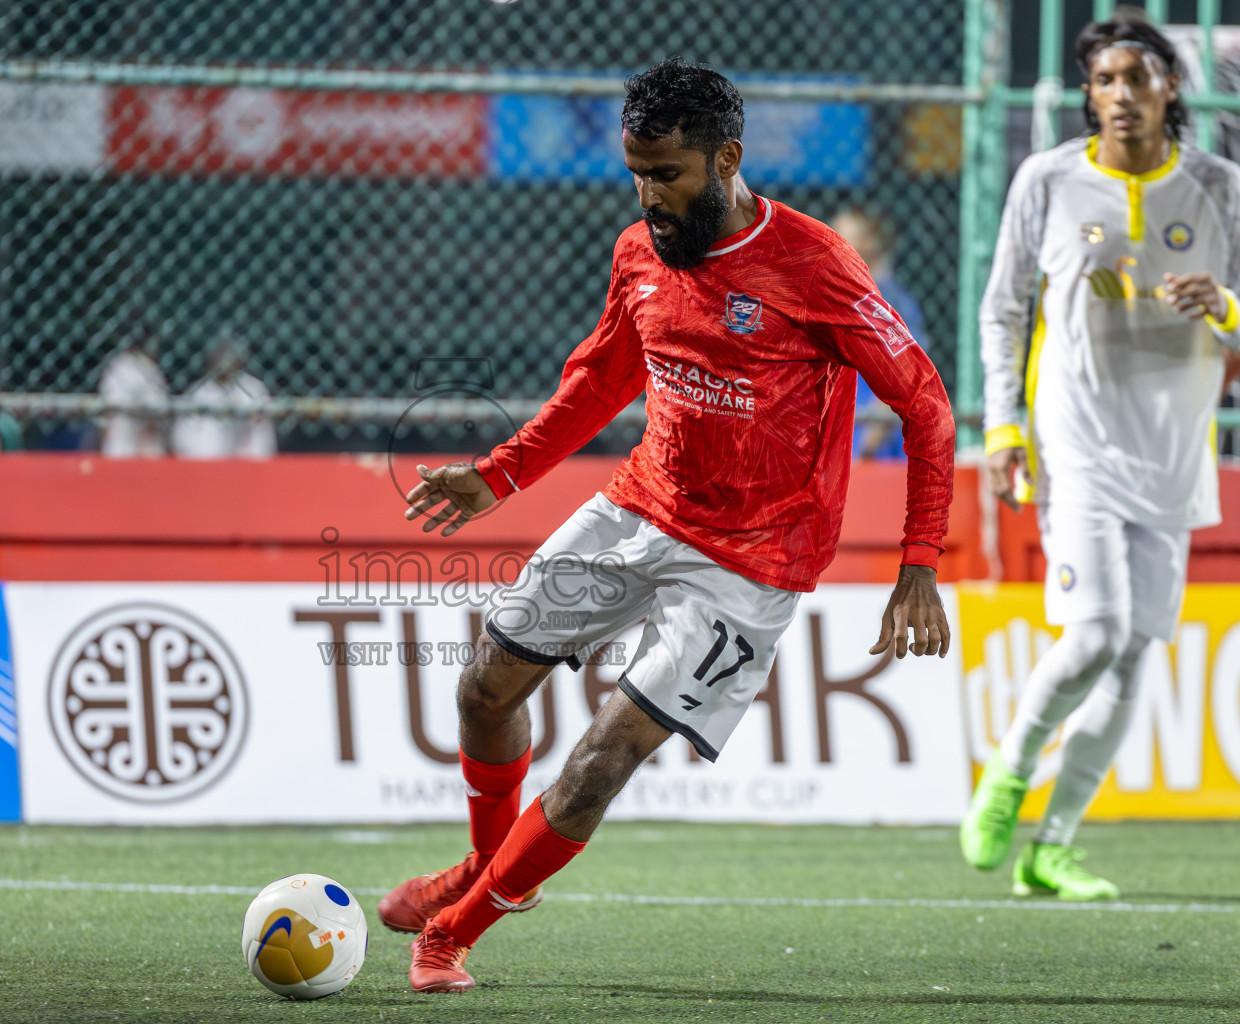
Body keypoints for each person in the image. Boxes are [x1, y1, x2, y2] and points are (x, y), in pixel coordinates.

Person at [381, 57, 956, 994]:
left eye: (668, 174)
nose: (649, 195)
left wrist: (918, 562)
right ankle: (480, 868)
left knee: (602, 757)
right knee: (484, 688)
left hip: (752, 562)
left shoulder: (814, 266)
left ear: (726, 157)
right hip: (640, 507)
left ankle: (454, 931)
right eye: (637, 173)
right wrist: (503, 473)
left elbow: (927, 407)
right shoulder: (639, 252)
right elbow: (604, 376)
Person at [964, 10, 1240, 901]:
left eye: (1139, 77)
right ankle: (1008, 773)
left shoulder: (1219, 187)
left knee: (1130, 662)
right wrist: (1003, 428)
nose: (1122, 94)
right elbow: (1003, 310)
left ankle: (1054, 846)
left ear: (1171, 88)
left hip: (1173, 453)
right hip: (1074, 443)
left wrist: (1227, 306)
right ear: (1089, 94)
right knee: (1094, 636)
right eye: (1106, 80)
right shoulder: (1046, 180)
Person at [832, 205, 932, 458]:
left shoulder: (889, 302)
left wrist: (867, 448)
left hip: (876, 452)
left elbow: (904, 381)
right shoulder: (840, 295)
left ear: (867, 243)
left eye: (841, 236)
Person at [170, 336, 276, 459]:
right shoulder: (197, 392)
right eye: (220, 352)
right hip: (203, 466)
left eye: (229, 352)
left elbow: (264, 440)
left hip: (248, 466)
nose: (225, 358)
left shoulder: (254, 389)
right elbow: (183, 441)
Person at [98, 329, 169, 459]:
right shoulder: (146, 367)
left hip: (118, 449)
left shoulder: (116, 366)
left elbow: (105, 421)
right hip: (141, 449)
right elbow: (153, 418)